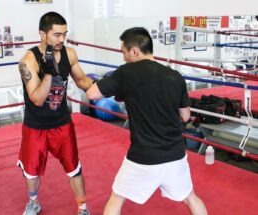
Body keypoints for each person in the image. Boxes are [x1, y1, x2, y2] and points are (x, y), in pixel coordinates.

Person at [86, 27, 208, 215]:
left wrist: (113, 84)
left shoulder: (126, 72)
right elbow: (185, 116)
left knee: (117, 198)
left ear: (134, 51)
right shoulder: (175, 76)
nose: (123, 57)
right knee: (190, 197)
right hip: (175, 154)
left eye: (124, 52)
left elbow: (92, 94)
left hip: (143, 156)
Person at [17, 11, 93, 215]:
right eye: (57, 35)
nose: (62, 39)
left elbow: (82, 80)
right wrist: (49, 72)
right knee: (31, 172)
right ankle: (33, 202)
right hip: (35, 126)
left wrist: (106, 88)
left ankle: (82, 208)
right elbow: (37, 98)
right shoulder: (28, 60)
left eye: (64, 34)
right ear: (42, 34)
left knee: (74, 168)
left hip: (62, 124)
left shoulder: (69, 54)